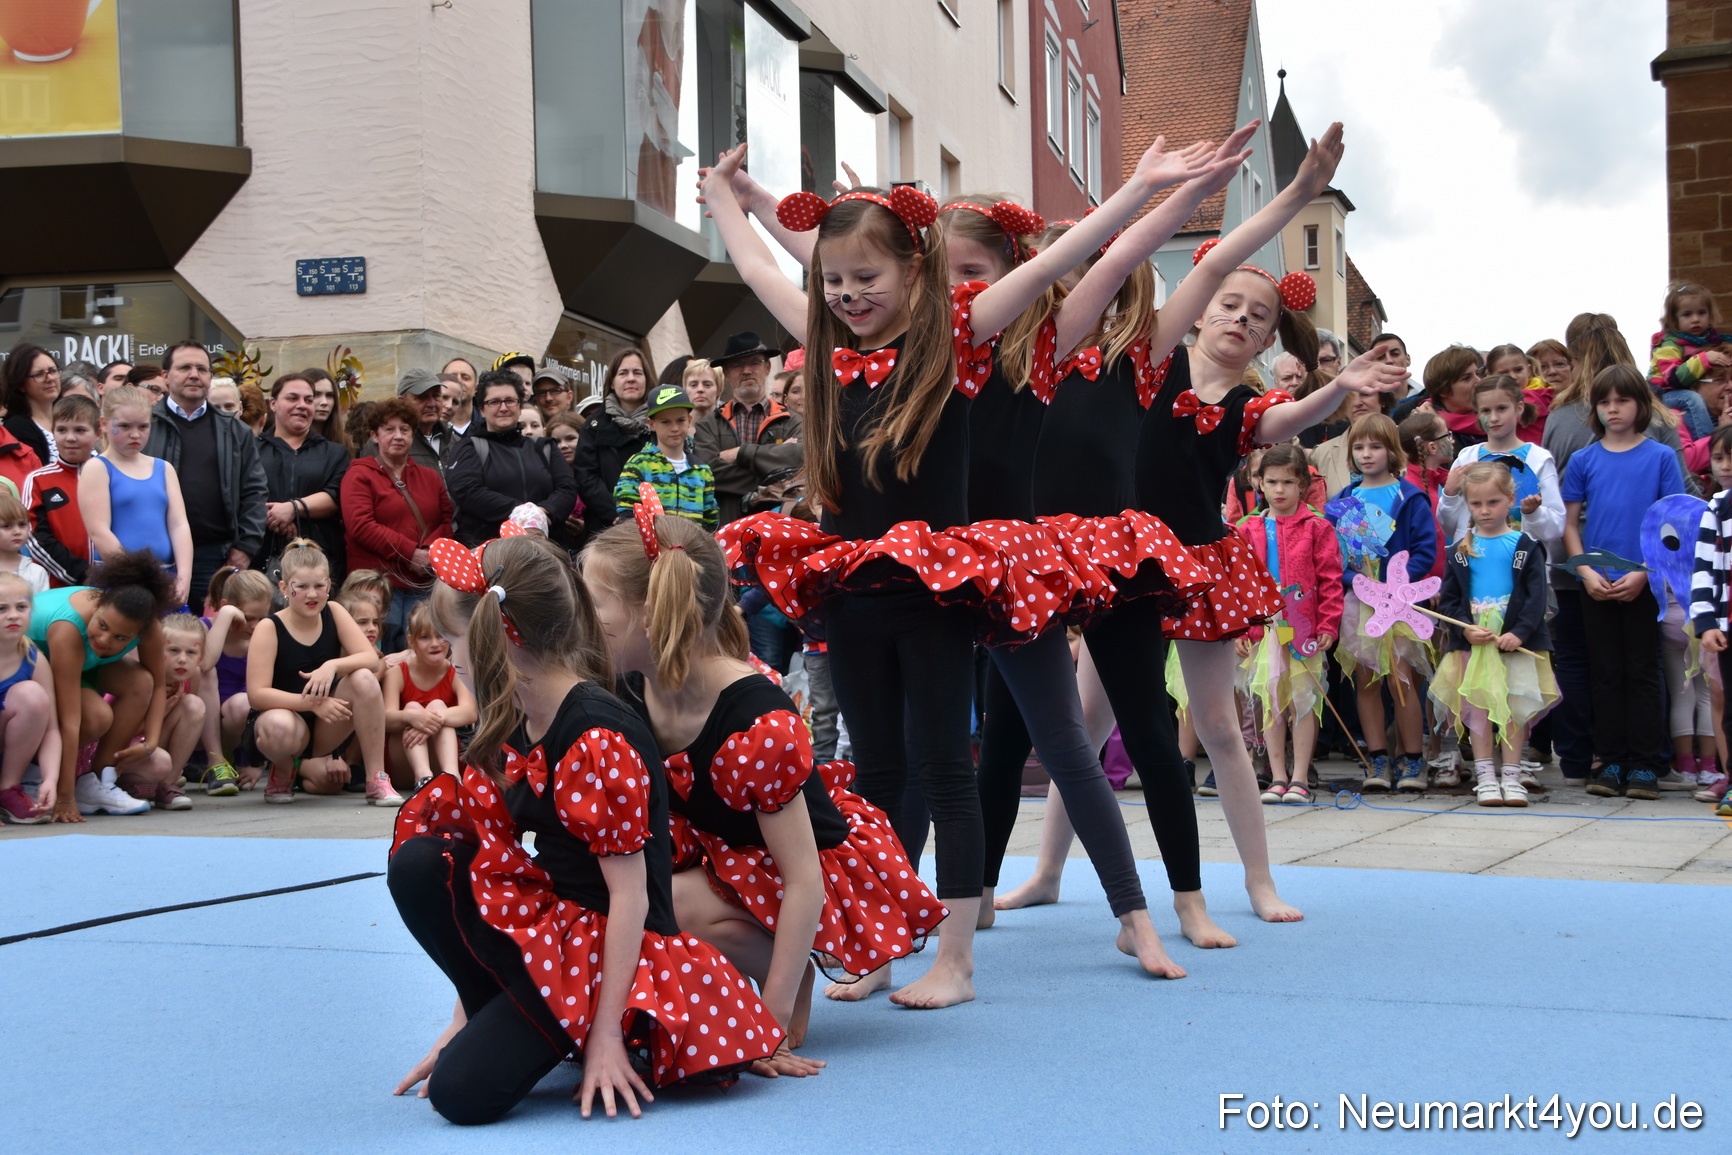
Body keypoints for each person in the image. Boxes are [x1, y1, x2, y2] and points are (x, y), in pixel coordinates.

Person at [703, 128, 1230, 1002]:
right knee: (875, 773)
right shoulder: (835, 346)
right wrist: (729, 196)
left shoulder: (958, 343)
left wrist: (1142, 191)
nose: (847, 295)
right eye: (835, 284)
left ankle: (961, 956)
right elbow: (775, 271)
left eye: (870, 279)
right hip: (852, 579)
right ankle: (873, 944)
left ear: (916, 275)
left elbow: (1074, 260)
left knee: (954, 763)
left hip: (943, 580)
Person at [390, 534, 806, 1124]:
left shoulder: (594, 736)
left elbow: (631, 898)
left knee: (463, 1096)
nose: (448, 657)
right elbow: (488, 874)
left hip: (613, 944)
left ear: (494, 638)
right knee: (424, 861)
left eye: (453, 640)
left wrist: (607, 1035)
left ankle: (583, 1025)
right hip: (559, 925)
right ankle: (509, 1017)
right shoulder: (515, 718)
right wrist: (460, 1023)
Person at [588, 503, 945, 1034]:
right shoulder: (630, 683)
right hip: (723, 849)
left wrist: (774, 1019)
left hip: (795, 871)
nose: (583, 622)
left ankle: (784, 975)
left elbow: (804, 878)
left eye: (594, 605)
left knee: (672, 899)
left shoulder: (754, 718)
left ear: (651, 612)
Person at [1543, 314, 1690, 785]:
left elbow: (1673, 523)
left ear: (1640, 405)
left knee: (1642, 671)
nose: (1612, 409)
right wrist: (1586, 573)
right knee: (1603, 671)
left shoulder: (1662, 456)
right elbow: (1569, 524)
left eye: (1622, 400)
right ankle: (1610, 759)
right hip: (1595, 581)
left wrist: (1645, 572)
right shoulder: (1585, 459)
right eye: (1604, 402)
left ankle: (1646, 761)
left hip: (1643, 580)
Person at [1431, 462, 1558, 806]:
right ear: (1467, 505)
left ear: (1510, 500)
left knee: (1515, 708)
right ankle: (1486, 776)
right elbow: (1451, 600)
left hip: (1514, 642)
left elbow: (1536, 598)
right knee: (1479, 710)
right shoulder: (1461, 551)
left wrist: (1519, 632)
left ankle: (1513, 776)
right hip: (1476, 644)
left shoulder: (1525, 546)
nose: (1484, 511)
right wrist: (1465, 627)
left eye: (1493, 502)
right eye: (1476, 504)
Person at [238, 539, 398, 805]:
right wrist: (312, 703)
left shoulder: (334, 611)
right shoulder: (269, 627)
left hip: (328, 723)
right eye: (301, 587)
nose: (312, 594)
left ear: (329, 586)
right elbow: (257, 695)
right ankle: (283, 768)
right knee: (277, 726)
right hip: (284, 721)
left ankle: (377, 778)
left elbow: (370, 658)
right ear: (284, 588)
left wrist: (332, 665)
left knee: (364, 678)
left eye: (319, 586)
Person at [1329, 412, 1438, 792]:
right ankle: (1377, 757)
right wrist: (1355, 582)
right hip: (1360, 602)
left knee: (1403, 679)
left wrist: (1399, 581)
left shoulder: (1409, 496)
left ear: (1392, 450)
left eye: (1375, 446)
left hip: (1401, 602)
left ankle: (1411, 759)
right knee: (1366, 680)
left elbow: (1425, 549)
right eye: (1358, 447)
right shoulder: (1344, 500)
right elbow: (1336, 557)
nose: (1366, 454)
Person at [29, 551, 178, 820]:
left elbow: (157, 684)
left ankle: (97, 780)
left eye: (121, 637)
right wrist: (65, 798)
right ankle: (34, 777)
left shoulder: (149, 627)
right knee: (96, 717)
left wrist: (152, 742)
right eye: (103, 625)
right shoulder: (68, 628)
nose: (105, 639)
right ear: (98, 606)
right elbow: (70, 722)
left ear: (139, 633)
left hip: (78, 664)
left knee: (141, 681)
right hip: (28, 666)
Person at [1235, 444, 1342, 804]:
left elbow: (1329, 579)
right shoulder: (1248, 528)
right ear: (1259, 484)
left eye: (1288, 482)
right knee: (1270, 699)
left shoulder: (1317, 527)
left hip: (1302, 626)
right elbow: (1241, 583)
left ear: (1302, 486)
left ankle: (1300, 777)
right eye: (1272, 482)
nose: (1279, 490)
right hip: (1265, 628)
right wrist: (1241, 628)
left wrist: (1328, 623)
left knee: (1302, 698)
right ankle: (1276, 775)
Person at [143, 341, 269, 615]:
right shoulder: (144, 427)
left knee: (210, 640)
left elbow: (255, 491)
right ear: (165, 376)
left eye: (202, 368)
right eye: (184, 367)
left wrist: (245, 547)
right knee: (156, 638)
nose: (194, 374)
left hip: (214, 556)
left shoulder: (235, 432)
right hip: (154, 554)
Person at [341, 397, 453, 653]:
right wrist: (411, 553)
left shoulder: (430, 477)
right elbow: (360, 525)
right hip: (379, 585)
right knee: (380, 654)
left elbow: (446, 520)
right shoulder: (359, 474)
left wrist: (429, 554)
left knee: (422, 653)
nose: (398, 436)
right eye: (389, 429)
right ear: (375, 435)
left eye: (404, 429)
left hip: (422, 583)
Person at [80, 386, 194, 608]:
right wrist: (137, 577)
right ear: (103, 425)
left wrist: (184, 576)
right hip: (119, 577)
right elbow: (99, 531)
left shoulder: (163, 468)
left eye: (143, 427)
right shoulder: (97, 468)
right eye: (124, 426)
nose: (135, 434)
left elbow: (179, 525)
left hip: (164, 577)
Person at [446, 371, 578, 547]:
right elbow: (466, 490)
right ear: (482, 409)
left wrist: (542, 513)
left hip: (546, 552)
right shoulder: (468, 448)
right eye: (494, 402)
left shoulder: (544, 447)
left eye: (510, 400)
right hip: (491, 555)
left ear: (519, 406)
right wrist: (520, 513)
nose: (503, 408)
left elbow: (567, 488)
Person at [692, 332, 803, 526]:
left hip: (781, 529)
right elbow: (708, 473)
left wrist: (742, 453)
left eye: (754, 362)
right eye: (736, 365)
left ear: (767, 367)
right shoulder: (708, 425)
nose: (746, 370)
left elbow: (802, 458)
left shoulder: (792, 421)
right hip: (727, 529)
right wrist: (774, 480)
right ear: (725, 373)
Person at [256, 374, 349, 579]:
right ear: (273, 404)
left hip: (320, 560)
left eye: (308, 400)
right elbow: (242, 495)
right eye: (292, 398)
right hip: (261, 557)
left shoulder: (334, 452)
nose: (302, 405)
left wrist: (292, 509)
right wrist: (274, 516)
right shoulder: (252, 449)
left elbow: (335, 496)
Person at [198, 566, 274, 792]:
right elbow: (206, 663)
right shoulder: (205, 627)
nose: (255, 626)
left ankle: (228, 759)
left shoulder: (264, 638)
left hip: (236, 730)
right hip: (200, 728)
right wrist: (226, 617)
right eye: (249, 618)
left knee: (244, 704)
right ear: (225, 606)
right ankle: (215, 760)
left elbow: (265, 699)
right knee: (204, 671)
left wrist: (257, 763)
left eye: (262, 618)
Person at [383, 602, 474, 790]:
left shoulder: (456, 672)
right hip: (402, 760)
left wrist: (430, 720)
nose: (434, 644)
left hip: (442, 758)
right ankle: (422, 777)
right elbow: (385, 719)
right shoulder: (397, 673)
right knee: (412, 708)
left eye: (440, 636)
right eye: (425, 637)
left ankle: (452, 776)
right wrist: (412, 717)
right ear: (411, 641)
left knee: (438, 705)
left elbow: (470, 712)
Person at [1690, 424, 1732, 813]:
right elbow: (1704, 570)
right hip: (1724, 626)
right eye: (1718, 457)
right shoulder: (1716, 508)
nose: (1725, 465)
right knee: (1727, 703)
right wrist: (1705, 623)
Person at [572, 350, 655, 533]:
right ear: (612, 381)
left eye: (637, 373)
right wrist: (618, 513)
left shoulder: (660, 421)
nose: (631, 379)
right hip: (606, 526)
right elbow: (586, 477)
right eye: (623, 373)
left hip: (657, 524)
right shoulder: (593, 426)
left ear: (647, 380)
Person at [0, 572, 60, 823]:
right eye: (2, 608)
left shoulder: (34, 658)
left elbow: (51, 730)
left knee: (34, 696)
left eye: (21, 606)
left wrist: (50, 780)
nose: (13, 615)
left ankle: (8, 790)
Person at [613, 386, 716, 529]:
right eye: (665, 422)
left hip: (691, 549)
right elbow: (627, 515)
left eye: (680, 420)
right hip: (650, 549)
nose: (674, 428)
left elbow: (710, 522)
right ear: (651, 424)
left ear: (689, 420)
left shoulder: (703, 471)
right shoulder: (638, 464)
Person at [24, 394, 98, 587]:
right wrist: (81, 572)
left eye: (80, 430)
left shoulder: (111, 475)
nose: (70, 438)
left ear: (98, 432)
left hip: (112, 583)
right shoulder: (39, 480)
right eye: (62, 430)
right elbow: (34, 537)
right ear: (52, 431)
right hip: (59, 588)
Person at [1648, 281, 1727, 439]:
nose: (1695, 319)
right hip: (1662, 394)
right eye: (1687, 314)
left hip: (1680, 391)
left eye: (1701, 312)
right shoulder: (1669, 345)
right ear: (1675, 320)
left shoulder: (1710, 341)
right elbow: (1674, 378)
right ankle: (1709, 444)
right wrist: (1704, 359)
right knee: (1693, 399)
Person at [368, 368, 461, 478]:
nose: (431, 404)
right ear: (402, 401)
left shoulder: (455, 442)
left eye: (436, 396)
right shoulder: (386, 443)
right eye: (422, 397)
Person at [3, 344, 61, 466]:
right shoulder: (17, 428)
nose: (50, 378)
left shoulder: (69, 416)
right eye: (39, 374)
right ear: (21, 385)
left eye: (53, 371)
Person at [0, 491, 49, 594]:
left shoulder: (37, 572)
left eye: (22, 524)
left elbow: (42, 608)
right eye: (7, 526)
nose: (17, 531)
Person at [299, 368, 352, 453]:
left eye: (329, 395)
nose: (324, 402)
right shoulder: (285, 443)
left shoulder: (345, 442)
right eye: (316, 394)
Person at [441, 357, 479, 435]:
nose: (459, 382)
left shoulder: (489, 426)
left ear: (476, 388)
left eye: (465, 378)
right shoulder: (429, 425)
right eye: (452, 377)